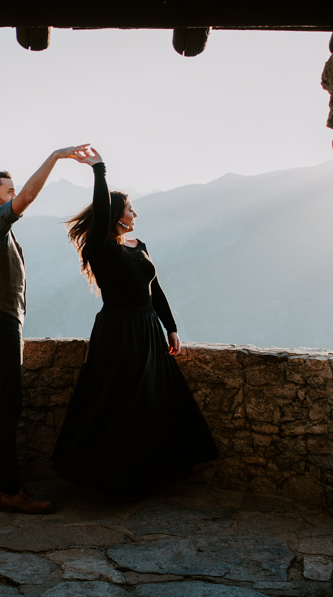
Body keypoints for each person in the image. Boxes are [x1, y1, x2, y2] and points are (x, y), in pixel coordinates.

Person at [52, 148, 219, 491]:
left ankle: (147, 478)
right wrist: (99, 171)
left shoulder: (139, 244)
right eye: (131, 208)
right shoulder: (100, 248)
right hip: (119, 331)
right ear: (117, 214)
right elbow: (99, 214)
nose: (136, 213)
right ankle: (112, 481)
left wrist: (170, 327)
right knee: (119, 406)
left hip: (148, 331)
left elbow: (153, 289)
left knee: (151, 404)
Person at [0, 144, 91, 514]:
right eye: (7, 191)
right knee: (8, 405)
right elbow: (28, 198)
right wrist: (55, 157)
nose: (13, 196)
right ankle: (9, 491)